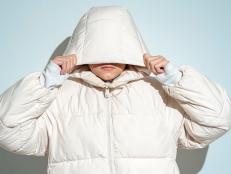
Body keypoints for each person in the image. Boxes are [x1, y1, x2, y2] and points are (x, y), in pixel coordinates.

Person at [0, 5, 231, 174]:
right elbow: (7, 132)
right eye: (98, 50)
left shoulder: (159, 94)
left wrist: (176, 80)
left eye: (116, 50)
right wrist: (45, 83)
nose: (107, 58)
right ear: (82, 49)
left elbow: (218, 120)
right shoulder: (58, 97)